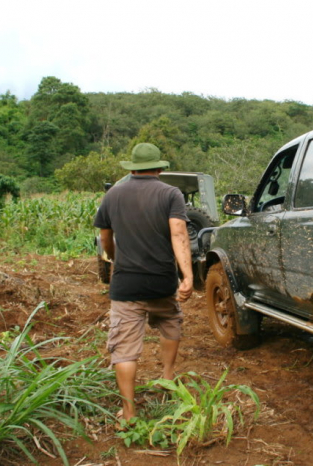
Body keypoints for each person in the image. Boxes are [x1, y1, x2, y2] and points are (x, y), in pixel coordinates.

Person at [93, 143, 193, 422]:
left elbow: (105, 237)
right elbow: (179, 233)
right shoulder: (171, 193)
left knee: (124, 349)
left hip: (126, 285)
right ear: (159, 168)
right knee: (171, 322)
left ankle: (128, 413)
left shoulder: (113, 195)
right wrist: (187, 276)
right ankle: (167, 377)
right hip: (162, 281)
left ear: (132, 168)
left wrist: (114, 259)